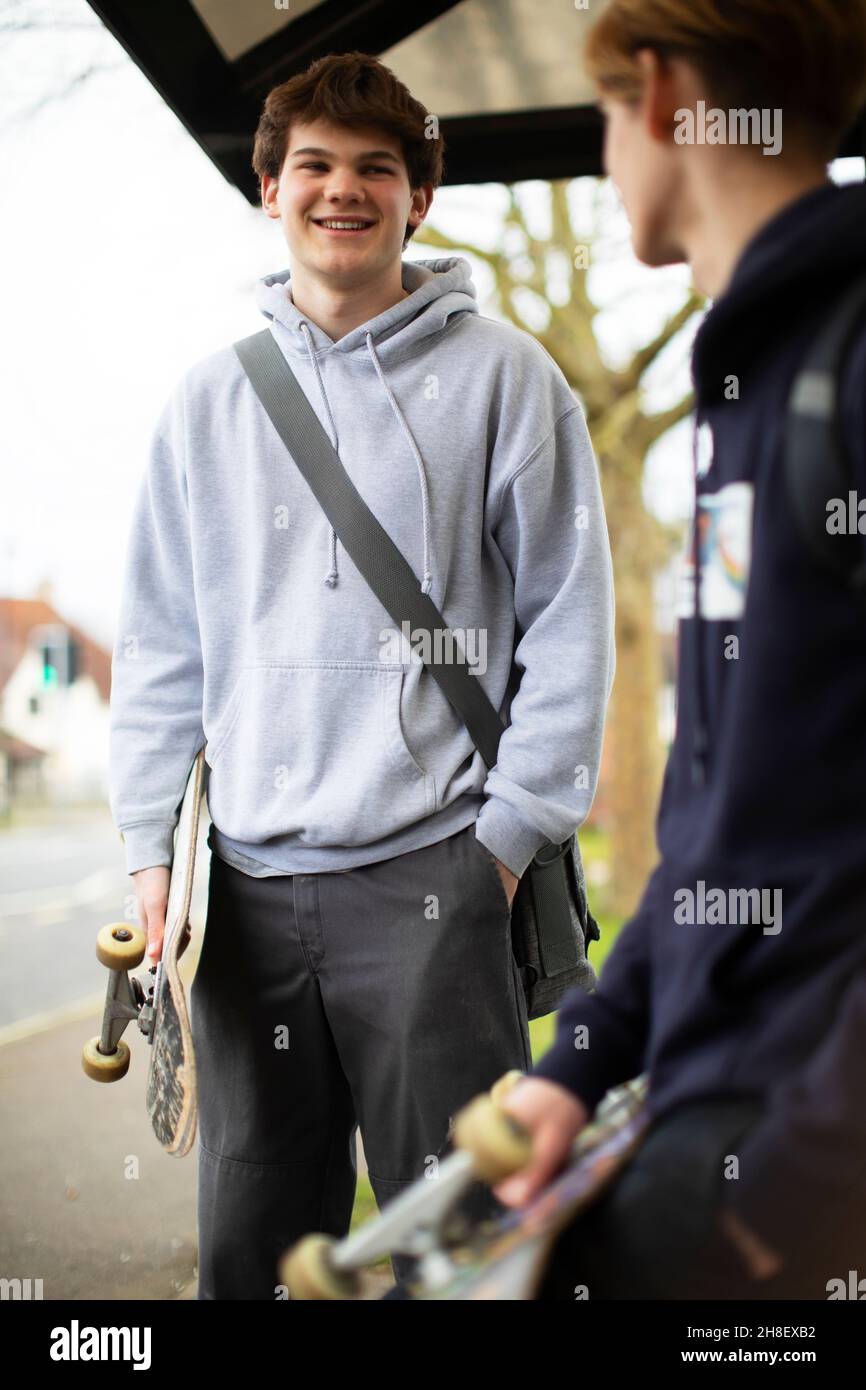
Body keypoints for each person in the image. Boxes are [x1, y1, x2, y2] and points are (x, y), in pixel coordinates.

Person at [107, 51, 614, 1298]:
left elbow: (568, 621)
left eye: (375, 169)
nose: (344, 190)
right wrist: (150, 854)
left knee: (466, 1253)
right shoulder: (205, 405)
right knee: (252, 1253)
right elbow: (164, 648)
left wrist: (501, 843)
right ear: (267, 188)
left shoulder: (510, 381)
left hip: (437, 879)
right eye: (316, 167)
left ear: (417, 200)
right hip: (246, 904)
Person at [479, 0, 866, 1301]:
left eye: (599, 118)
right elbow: (720, 833)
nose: (601, 159)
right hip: (712, 1140)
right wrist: (574, 1065)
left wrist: (797, 1189)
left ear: (655, 97)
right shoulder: (746, 386)